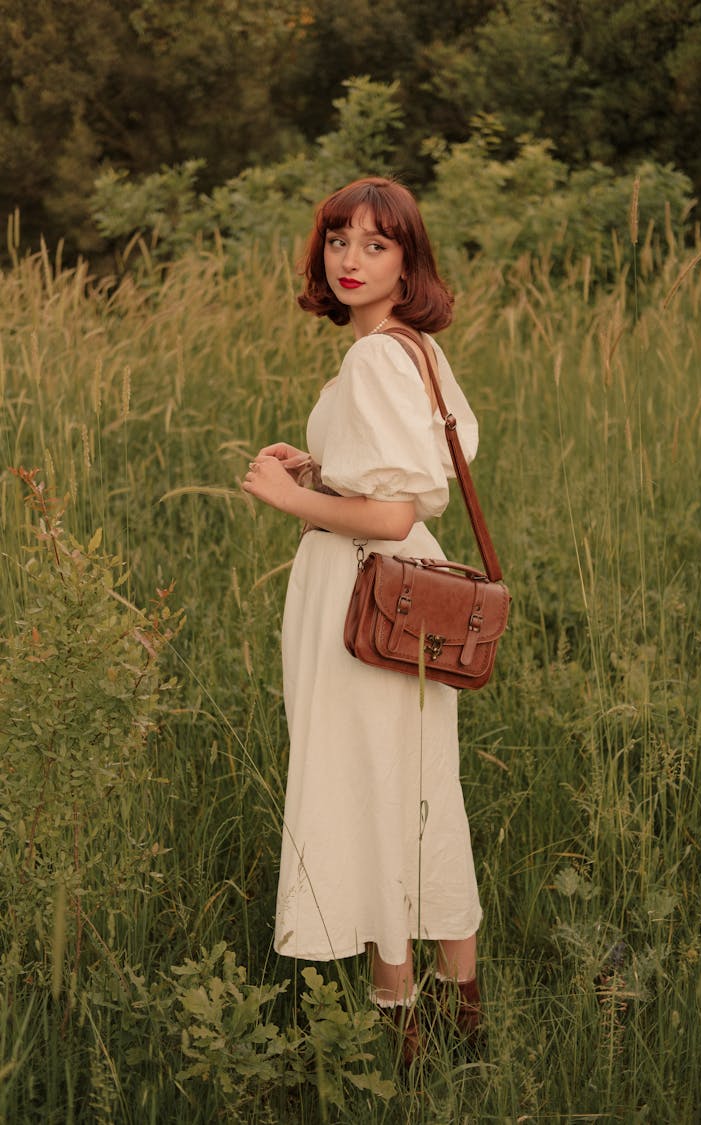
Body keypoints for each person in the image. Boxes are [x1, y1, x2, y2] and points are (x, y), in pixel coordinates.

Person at [242, 177, 483, 1065]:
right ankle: (469, 1020)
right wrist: (320, 467)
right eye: (339, 239)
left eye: (375, 245)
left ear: (406, 261)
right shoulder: (411, 349)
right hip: (405, 592)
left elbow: (394, 511)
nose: (350, 259)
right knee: (419, 792)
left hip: (365, 593)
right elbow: (408, 478)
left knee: (372, 795)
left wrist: (283, 498)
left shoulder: (376, 357)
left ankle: (405, 1036)